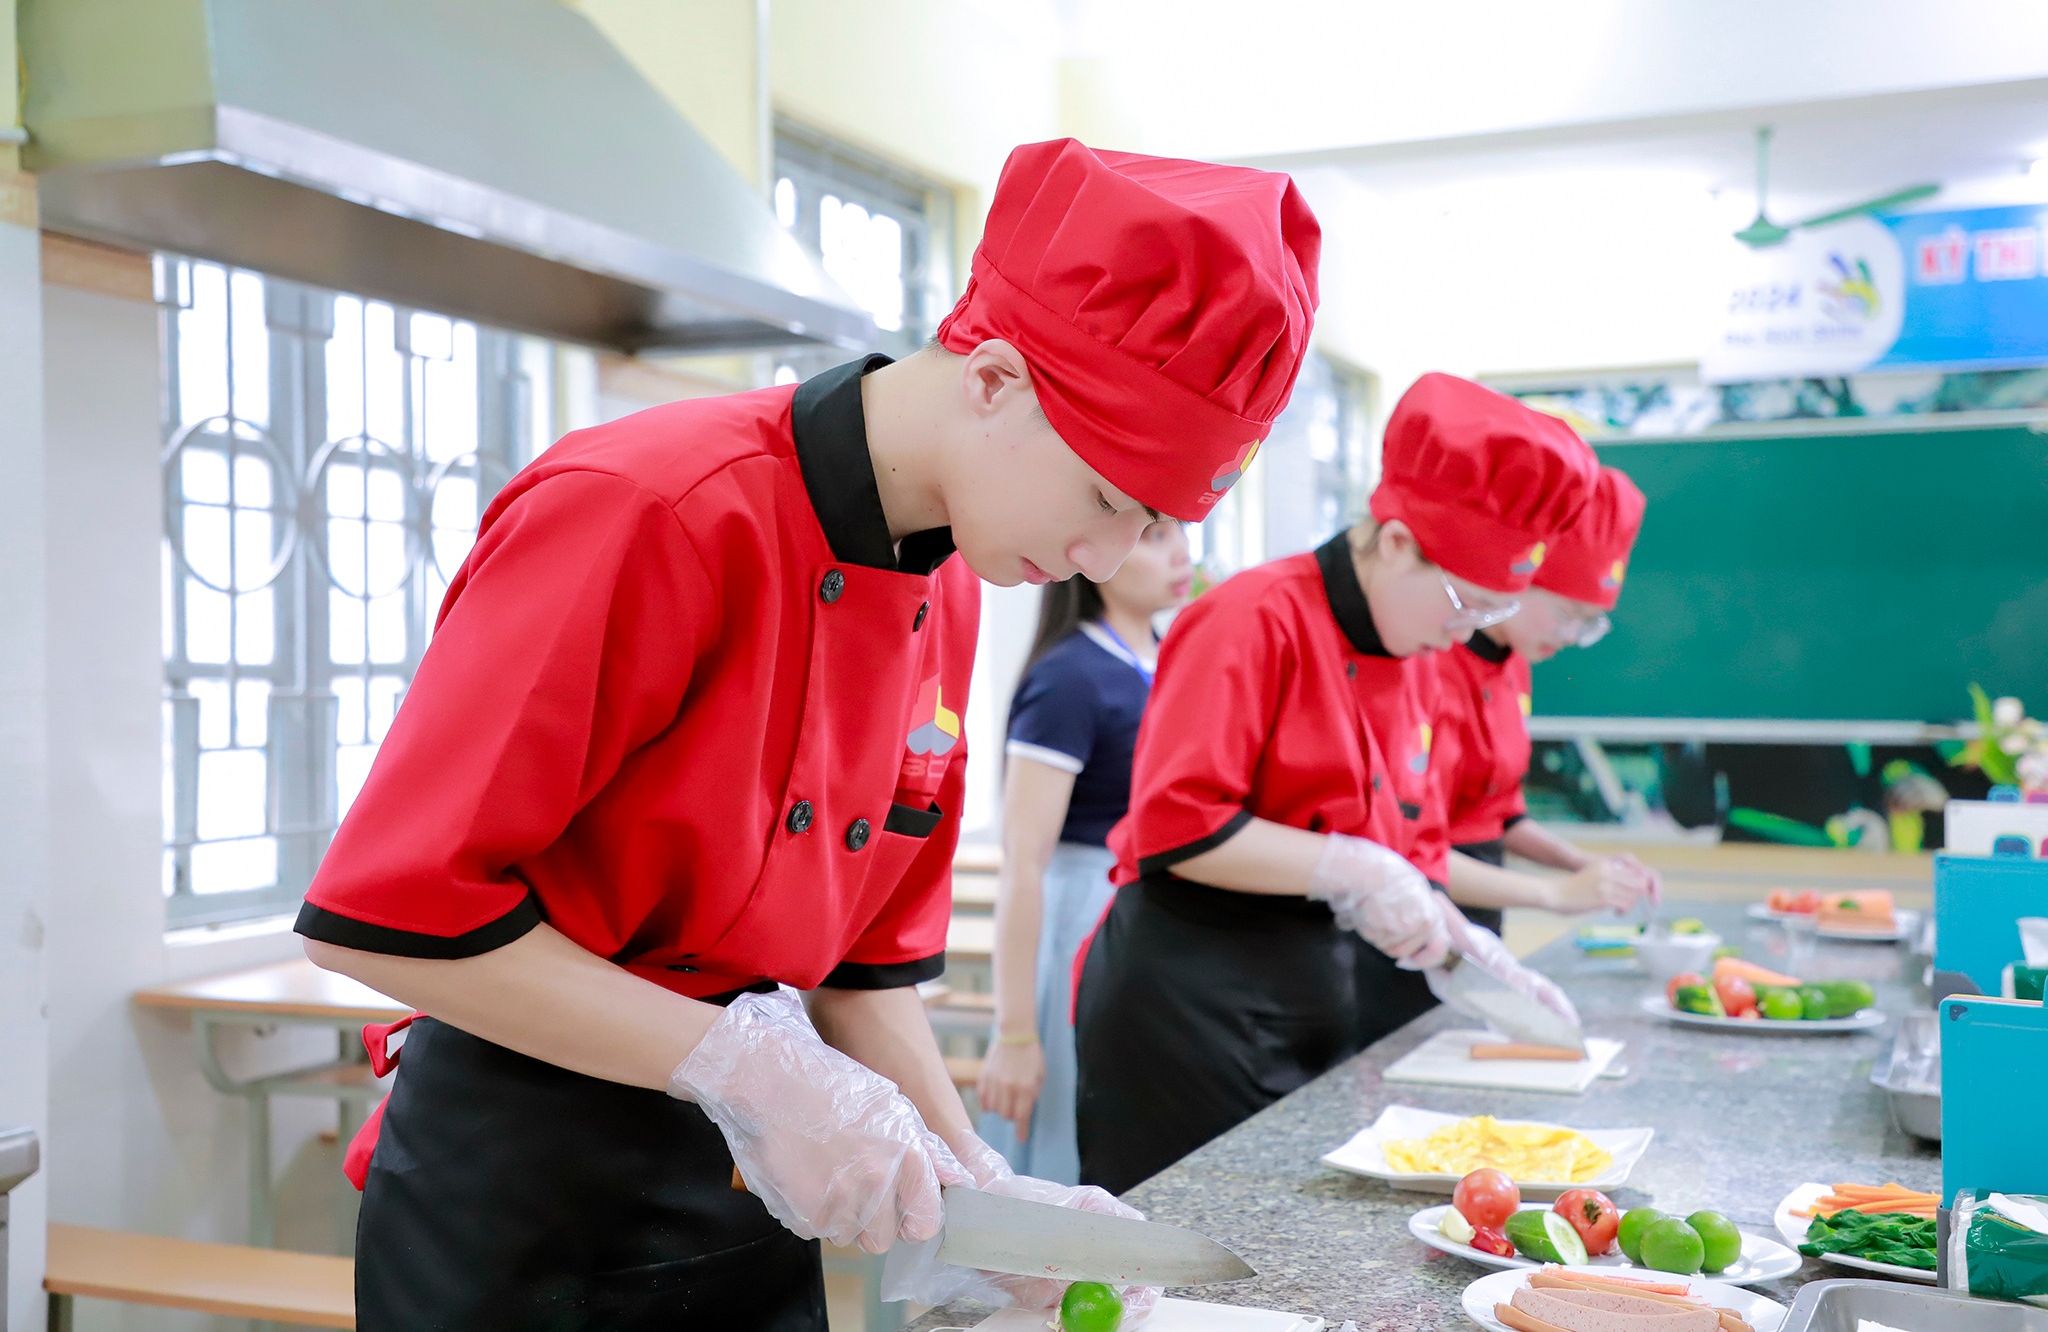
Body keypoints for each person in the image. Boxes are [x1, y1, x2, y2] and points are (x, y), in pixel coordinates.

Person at [293, 137, 1320, 1331]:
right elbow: (388, 922)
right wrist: (745, 1065)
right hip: (519, 1200)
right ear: (995, 379)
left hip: (751, 1198)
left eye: (1146, 526)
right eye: (1105, 500)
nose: (1105, 559)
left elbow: (862, 976)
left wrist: (974, 1186)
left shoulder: (949, 584)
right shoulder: (652, 508)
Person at [1073, 373, 1593, 1196]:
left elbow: (1414, 843)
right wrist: (1354, 867)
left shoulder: (1418, 657)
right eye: (1464, 602)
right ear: (1397, 542)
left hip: (1312, 989)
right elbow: (1180, 824)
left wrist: (1465, 942)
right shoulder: (1252, 617)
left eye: (1490, 615)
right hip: (1187, 1002)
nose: (1464, 632)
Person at [977, 517, 1192, 1184]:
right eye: (1154, 537)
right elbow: (1024, 863)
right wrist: (1015, 1033)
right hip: (1080, 920)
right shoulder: (1070, 677)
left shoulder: (1173, 660)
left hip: (1151, 924)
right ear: (1096, 554)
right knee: (1071, 1140)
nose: (1180, 553)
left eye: (1179, 533)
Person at [1435, 467, 1661, 929]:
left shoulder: (1514, 662)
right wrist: (1555, 895)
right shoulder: (1432, 657)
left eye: (1589, 624)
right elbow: (1405, 844)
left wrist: (1584, 865)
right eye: (1566, 614)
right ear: (1520, 584)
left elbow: (1498, 816)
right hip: (1417, 910)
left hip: (1480, 909)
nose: (1571, 636)